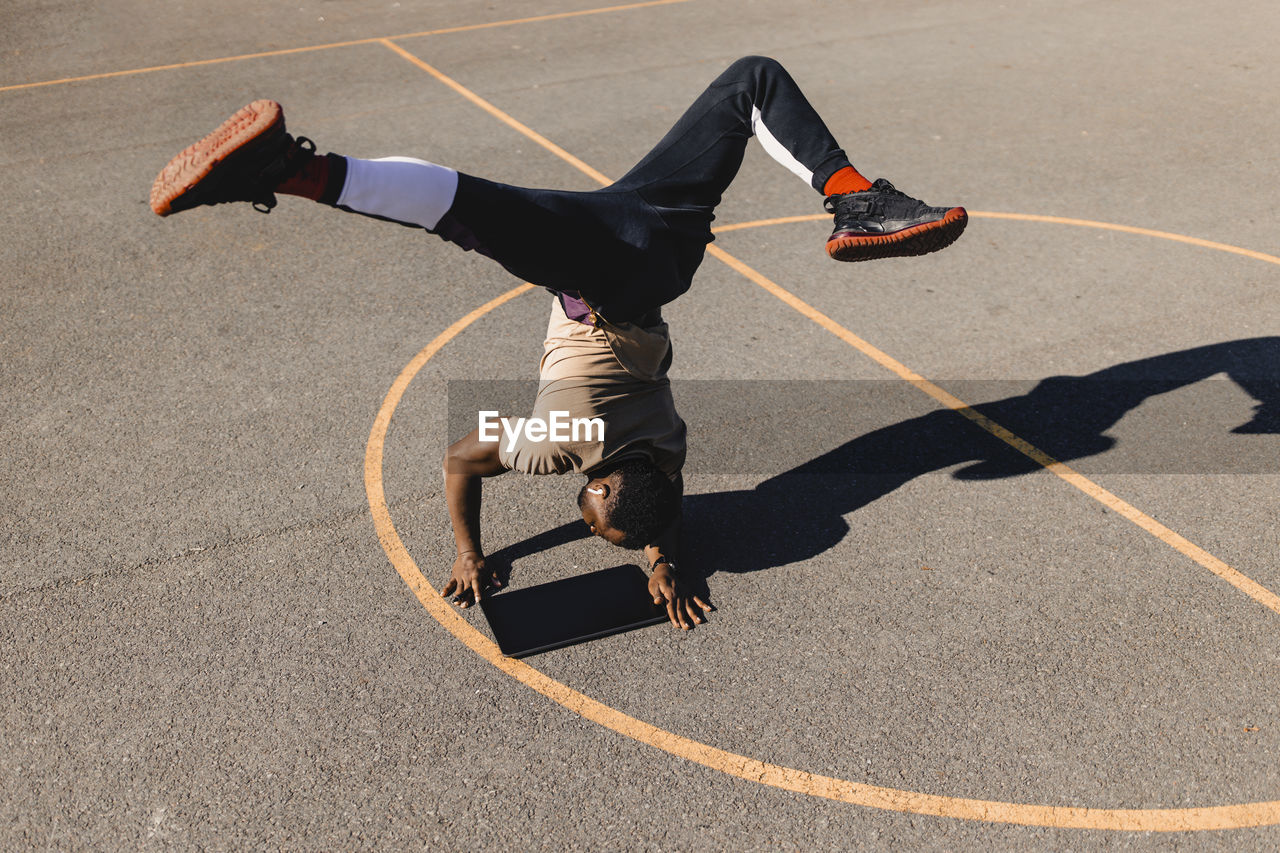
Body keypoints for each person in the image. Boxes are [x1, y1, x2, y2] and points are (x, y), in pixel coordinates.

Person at [150, 55, 967, 630]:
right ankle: (290, 173)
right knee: (477, 212)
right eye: (597, 523)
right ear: (605, 484)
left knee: (752, 82)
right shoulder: (560, 445)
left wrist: (658, 558)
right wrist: (470, 552)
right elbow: (459, 460)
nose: (584, 525)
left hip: (663, 244)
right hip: (615, 271)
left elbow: (665, 507)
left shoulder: (668, 448)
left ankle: (856, 196)